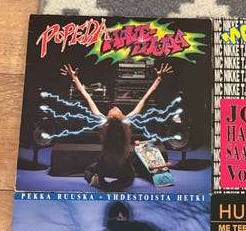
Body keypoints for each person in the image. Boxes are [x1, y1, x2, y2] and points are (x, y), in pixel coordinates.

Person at [60, 62, 173, 191]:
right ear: (123, 116)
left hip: (105, 166)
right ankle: (113, 184)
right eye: (115, 110)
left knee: (88, 171)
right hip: (122, 166)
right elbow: (144, 99)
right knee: (129, 178)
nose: (114, 107)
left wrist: (75, 79)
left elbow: (88, 98)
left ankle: (99, 183)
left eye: (114, 110)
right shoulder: (126, 122)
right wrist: (158, 79)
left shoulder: (104, 123)